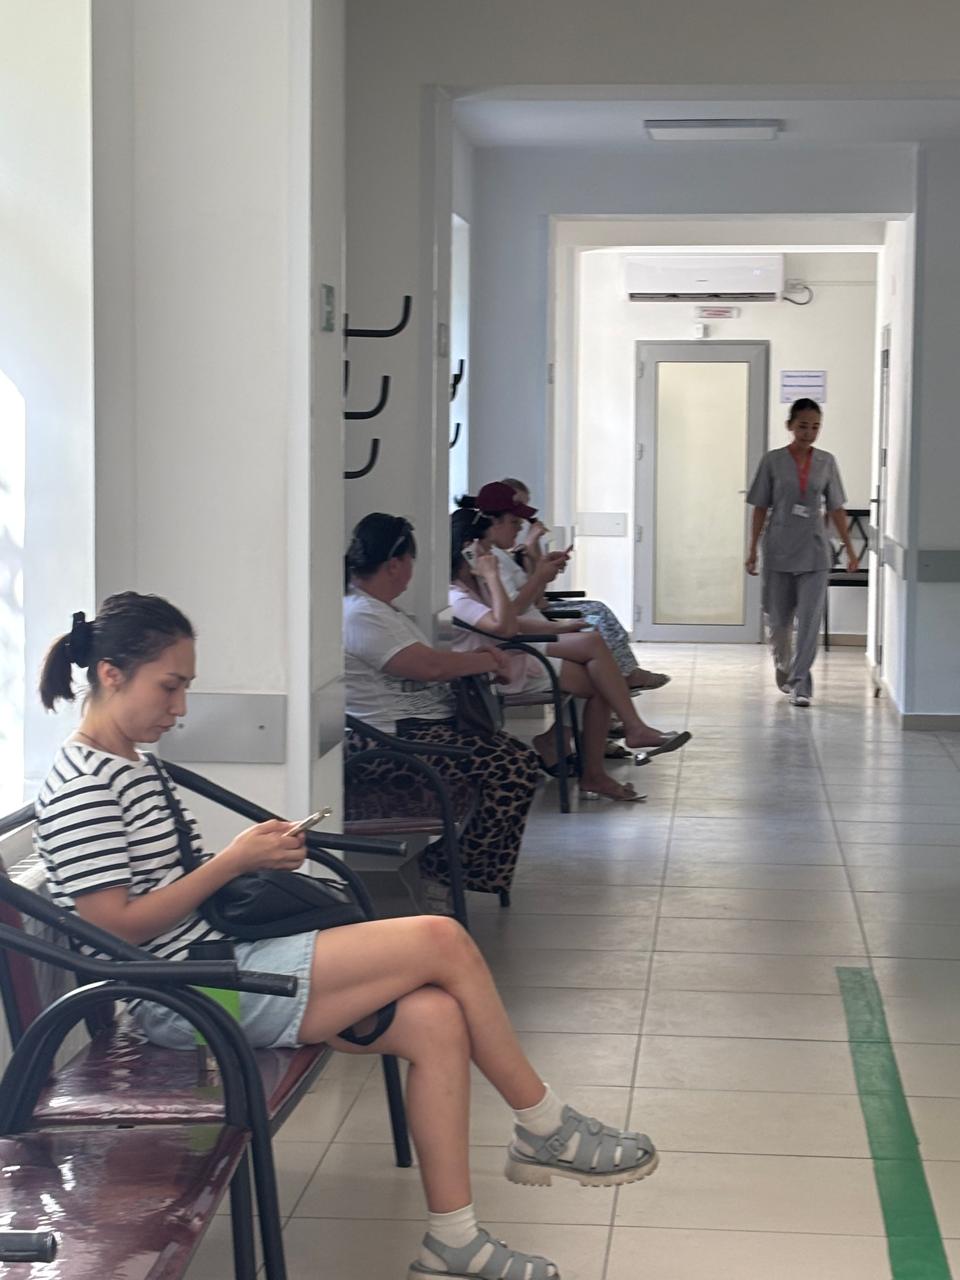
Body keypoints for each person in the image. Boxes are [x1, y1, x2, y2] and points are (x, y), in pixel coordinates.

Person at [35, 590, 658, 1280]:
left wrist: (244, 862)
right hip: (185, 998)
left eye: (185, 688)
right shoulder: (85, 784)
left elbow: (159, 896)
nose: (180, 707)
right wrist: (232, 862)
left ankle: (454, 1241)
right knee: (442, 939)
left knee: (435, 1019)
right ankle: (543, 1124)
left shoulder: (127, 763)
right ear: (112, 674)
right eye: (169, 686)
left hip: (212, 968)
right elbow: (113, 926)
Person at [344, 512, 541, 908]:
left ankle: (449, 870)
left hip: (418, 728)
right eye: (411, 561)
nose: (412, 571)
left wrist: (484, 662)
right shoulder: (360, 614)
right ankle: (439, 871)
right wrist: (488, 661)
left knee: (517, 761)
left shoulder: (383, 610)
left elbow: (432, 662)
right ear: (395, 564)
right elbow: (428, 667)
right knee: (514, 767)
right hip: (389, 740)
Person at [449, 505, 690, 803]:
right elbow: (506, 625)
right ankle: (622, 739)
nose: (490, 555)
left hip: (518, 654)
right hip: (502, 668)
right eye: (484, 548)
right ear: (468, 549)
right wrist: (493, 576)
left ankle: (604, 755)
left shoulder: (480, 584)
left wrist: (559, 626)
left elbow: (514, 619)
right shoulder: (457, 595)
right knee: (597, 666)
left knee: (599, 673)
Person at [499, 478, 670, 694]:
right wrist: (537, 561)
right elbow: (533, 602)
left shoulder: (517, 549)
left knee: (599, 609)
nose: (523, 518)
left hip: (537, 611)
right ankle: (623, 678)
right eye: (517, 509)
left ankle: (625, 674)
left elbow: (538, 594)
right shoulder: (499, 557)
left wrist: (537, 555)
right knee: (595, 618)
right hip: (534, 620)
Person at [745, 398, 859, 707]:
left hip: (814, 550)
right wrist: (752, 549)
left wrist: (850, 550)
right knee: (778, 621)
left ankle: (801, 683)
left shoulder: (826, 462)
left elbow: (836, 508)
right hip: (778, 548)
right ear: (790, 426)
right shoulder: (772, 461)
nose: (809, 433)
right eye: (803, 426)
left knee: (809, 621)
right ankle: (784, 667)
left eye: (815, 427)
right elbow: (760, 507)